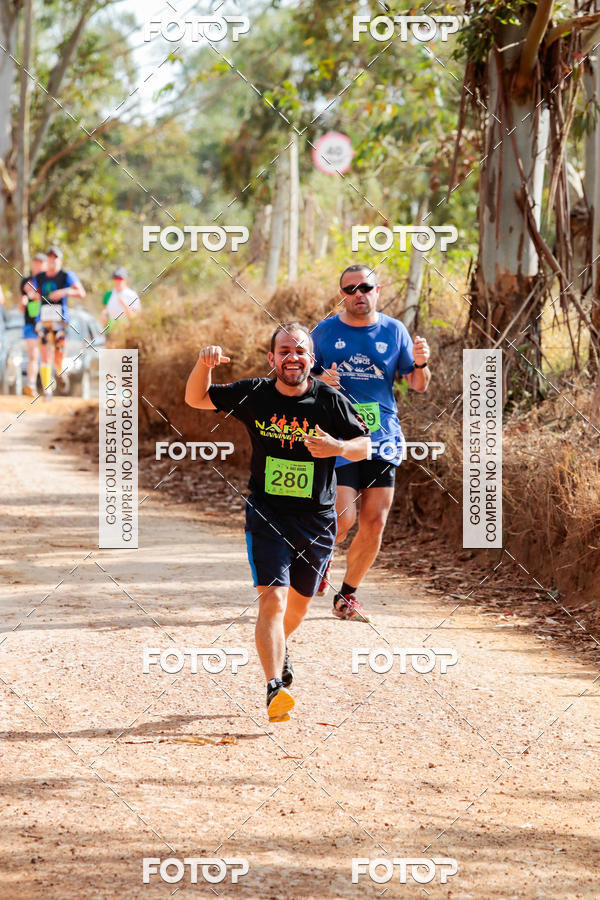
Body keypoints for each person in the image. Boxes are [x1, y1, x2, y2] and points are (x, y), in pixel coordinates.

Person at [185, 323, 370, 722]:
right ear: (272, 359)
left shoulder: (330, 401)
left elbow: (364, 446)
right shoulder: (255, 394)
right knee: (273, 597)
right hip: (267, 512)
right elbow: (196, 398)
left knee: (299, 606)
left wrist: (336, 447)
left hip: (317, 519)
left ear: (311, 358)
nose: (293, 357)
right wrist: (204, 364)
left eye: (300, 351)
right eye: (284, 350)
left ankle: (279, 649)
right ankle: (274, 687)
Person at [311, 264, 431, 622]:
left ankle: (346, 597)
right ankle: (319, 557)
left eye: (365, 287)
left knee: (375, 521)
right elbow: (296, 374)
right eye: (350, 289)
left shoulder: (395, 330)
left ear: (377, 290)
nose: (358, 294)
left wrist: (422, 363)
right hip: (339, 437)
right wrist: (320, 380)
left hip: (382, 438)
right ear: (342, 295)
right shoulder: (324, 331)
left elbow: (418, 384)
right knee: (343, 518)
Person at [30, 246, 85, 398]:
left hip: (60, 322)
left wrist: (65, 291)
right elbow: (31, 291)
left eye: (55, 259)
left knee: (59, 354)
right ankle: (47, 390)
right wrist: (32, 294)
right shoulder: (40, 277)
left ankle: (60, 373)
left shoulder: (66, 275)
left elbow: (81, 292)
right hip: (44, 321)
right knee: (45, 354)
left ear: (60, 261)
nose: (52, 261)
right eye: (50, 259)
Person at [20, 253, 47, 396]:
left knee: (46, 356)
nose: (37, 265)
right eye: (35, 262)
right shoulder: (25, 281)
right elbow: (21, 306)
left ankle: (46, 387)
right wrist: (23, 302)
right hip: (30, 324)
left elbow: (46, 297)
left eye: (40, 263)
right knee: (33, 354)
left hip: (46, 323)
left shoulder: (48, 281)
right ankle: (31, 385)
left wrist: (33, 294)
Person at [101, 267, 141, 332]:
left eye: (120, 279)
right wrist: (103, 316)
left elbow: (136, 317)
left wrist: (125, 306)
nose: (117, 281)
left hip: (127, 331)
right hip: (110, 332)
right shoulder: (108, 294)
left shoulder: (132, 295)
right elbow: (103, 313)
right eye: (116, 278)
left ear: (126, 280)